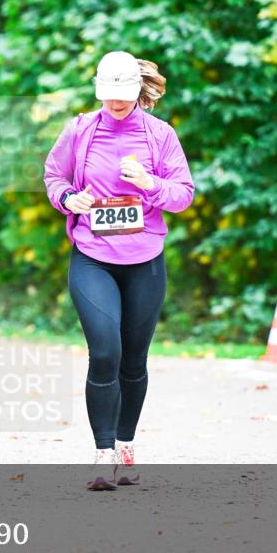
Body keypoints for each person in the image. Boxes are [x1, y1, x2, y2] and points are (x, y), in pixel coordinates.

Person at [43, 51, 194, 490]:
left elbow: (183, 193)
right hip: (92, 256)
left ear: (136, 91)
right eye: (108, 96)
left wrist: (151, 185)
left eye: (123, 96)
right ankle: (102, 453)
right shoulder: (80, 129)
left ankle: (126, 446)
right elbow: (54, 177)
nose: (116, 104)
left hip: (145, 260)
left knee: (134, 361)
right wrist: (70, 199)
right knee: (105, 351)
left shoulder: (160, 135)